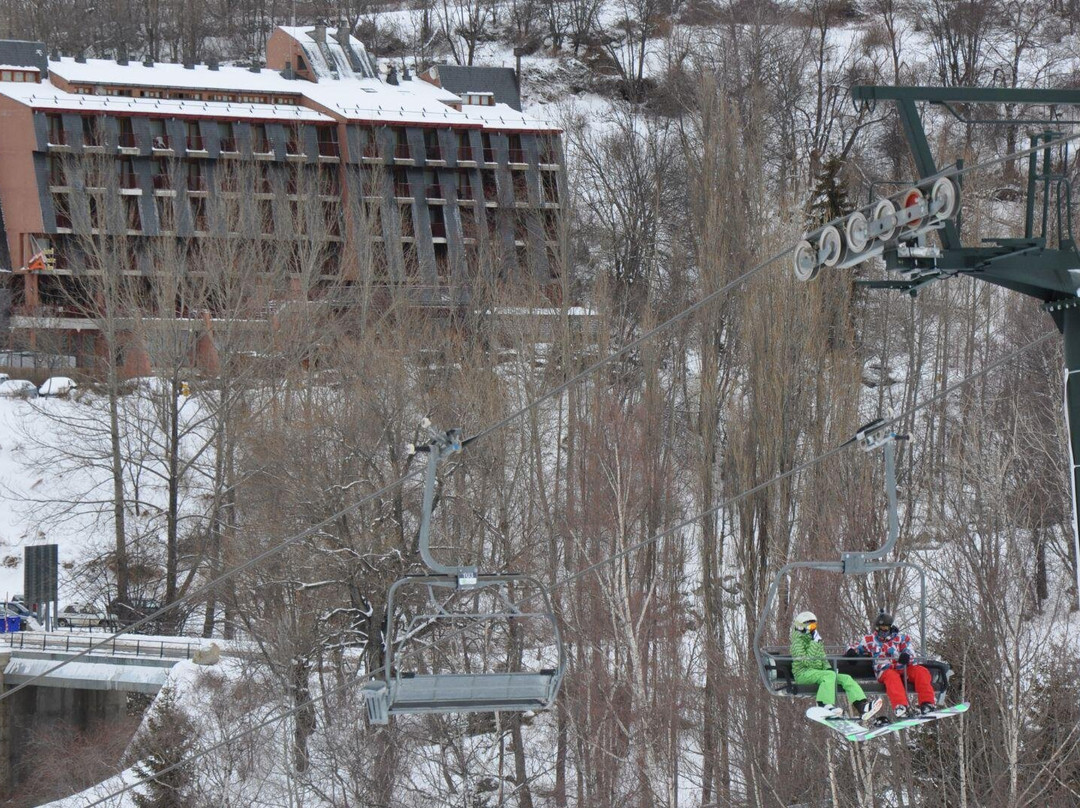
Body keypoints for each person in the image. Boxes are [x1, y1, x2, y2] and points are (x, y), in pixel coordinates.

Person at [790, 611, 883, 723]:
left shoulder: (815, 640)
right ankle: (824, 704)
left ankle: (861, 705)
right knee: (829, 676)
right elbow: (806, 662)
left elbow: (822, 658)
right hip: (803, 673)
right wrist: (814, 643)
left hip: (819, 674)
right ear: (801, 626)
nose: (813, 629)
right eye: (811, 626)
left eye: (815, 625)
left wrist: (829, 668)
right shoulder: (797, 643)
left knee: (846, 678)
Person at [854, 610, 936, 719]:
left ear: (890, 627)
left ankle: (927, 703)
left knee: (921, 672)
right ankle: (900, 706)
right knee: (892, 677)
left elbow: (909, 651)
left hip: (903, 667)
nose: (882, 631)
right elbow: (855, 647)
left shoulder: (901, 639)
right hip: (885, 670)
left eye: (885, 628)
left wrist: (906, 656)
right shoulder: (870, 640)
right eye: (879, 628)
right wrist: (851, 651)